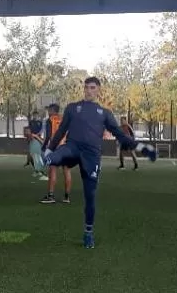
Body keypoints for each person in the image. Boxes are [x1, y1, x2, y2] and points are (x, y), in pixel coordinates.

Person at [43, 77, 157, 248]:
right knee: (63, 152)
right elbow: (60, 131)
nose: (89, 90)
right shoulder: (72, 108)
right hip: (73, 147)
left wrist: (142, 147)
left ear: (98, 90)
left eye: (92, 88)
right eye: (86, 87)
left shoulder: (104, 113)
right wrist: (49, 148)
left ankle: (88, 233)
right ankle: (47, 159)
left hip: (91, 156)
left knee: (90, 196)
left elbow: (121, 136)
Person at [40, 103, 72, 204]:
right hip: (66, 147)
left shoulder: (50, 120)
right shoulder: (64, 119)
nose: (48, 112)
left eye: (49, 110)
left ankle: (51, 196)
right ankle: (66, 197)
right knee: (66, 170)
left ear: (52, 110)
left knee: (52, 170)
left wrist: (44, 147)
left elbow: (49, 135)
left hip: (55, 147)